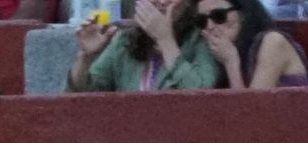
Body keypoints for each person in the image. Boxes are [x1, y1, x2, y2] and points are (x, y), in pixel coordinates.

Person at [66, 0, 222, 94]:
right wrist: (86, 57)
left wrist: (165, 40)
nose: (162, 2)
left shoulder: (201, 40)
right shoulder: (124, 40)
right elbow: (82, 96)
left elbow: (202, 95)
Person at [197, 0, 308, 91]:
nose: (209, 26)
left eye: (218, 16)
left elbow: (253, 110)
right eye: (202, 21)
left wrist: (231, 62)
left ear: (243, 14)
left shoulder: (273, 42)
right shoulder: (219, 51)